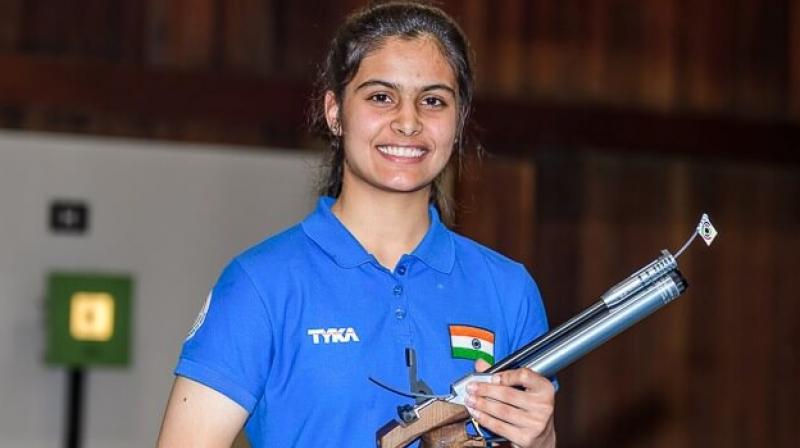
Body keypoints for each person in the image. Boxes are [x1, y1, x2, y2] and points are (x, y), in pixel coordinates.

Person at [157, 2, 556, 447]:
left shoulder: (508, 289)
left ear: (459, 121)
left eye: (433, 101)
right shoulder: (261, 284)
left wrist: (540, 439)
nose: (408, 122)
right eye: (381, 97)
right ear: (335, 112)